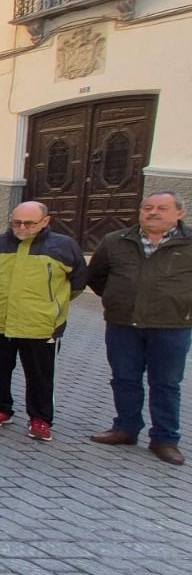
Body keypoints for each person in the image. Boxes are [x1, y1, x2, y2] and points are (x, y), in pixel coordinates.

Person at [87, 191, 191, 466]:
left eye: (162, 208)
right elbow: (97, 277)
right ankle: (126, 428)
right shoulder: (115, 241)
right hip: (123, 324)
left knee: (166, 383)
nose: (153, 212)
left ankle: (165, 439)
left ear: (180, 213)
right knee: (124, 378)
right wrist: (116, 299)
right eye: (147, 208)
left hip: (172, 326)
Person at [0, 201, 87, 441]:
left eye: (29, 223)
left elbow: (77, 284)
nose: (22, 227)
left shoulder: (65, 247)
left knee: (40, 375)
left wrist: (50, 307)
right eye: (16, 222)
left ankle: (40, 419)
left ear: (46, 221)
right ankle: (0, 409)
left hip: (40, 325)